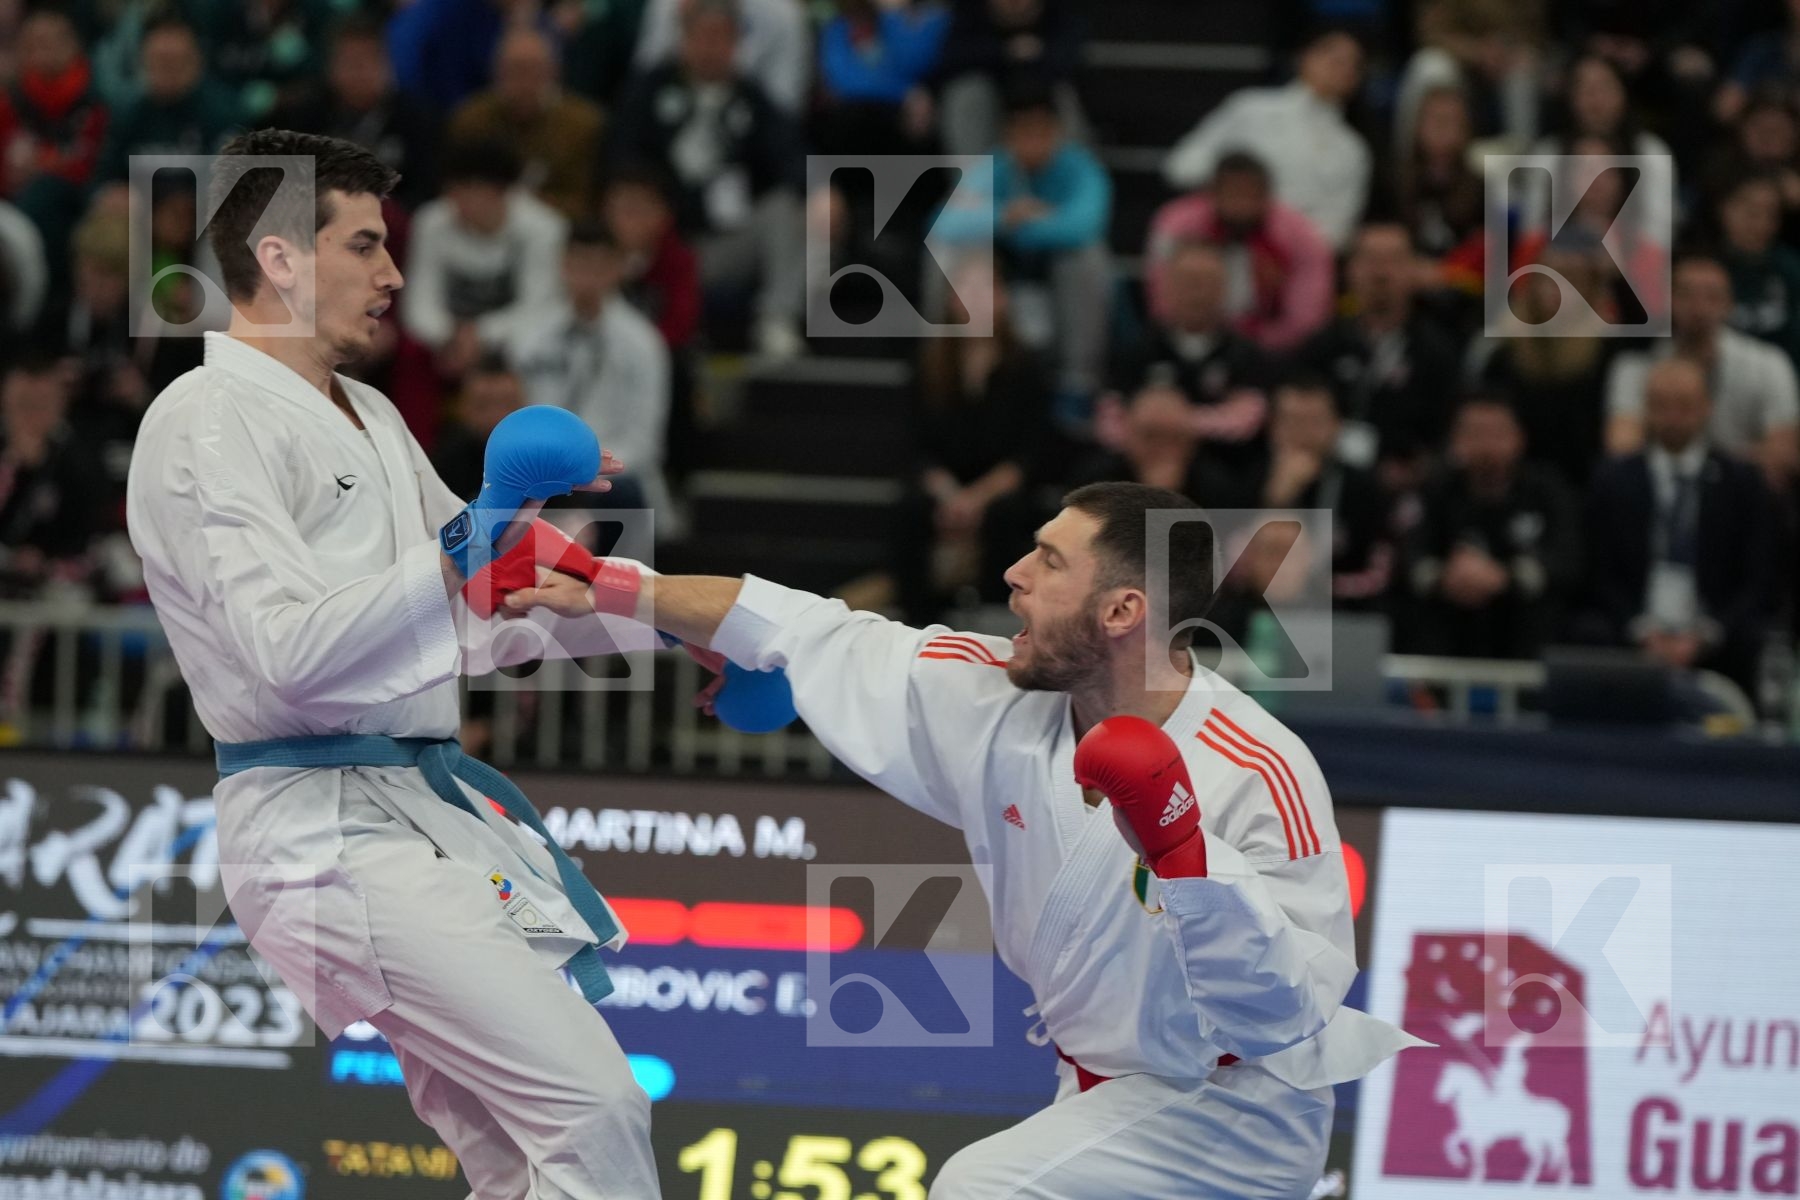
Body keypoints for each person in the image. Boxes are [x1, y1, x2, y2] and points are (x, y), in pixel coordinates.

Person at [507, 480, 1425, 1200]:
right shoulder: (994, 697)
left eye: (1049, 561)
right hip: (1097, 1092)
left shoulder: (1257, 768)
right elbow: (808, 628)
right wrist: (621, 588)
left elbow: (1293, 1010)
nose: (1014, 575)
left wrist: (1188, 858)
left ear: (1121, 612)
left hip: (1232, 1113)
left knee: (978, 1187)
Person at [125, 129, 663, 1198]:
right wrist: (476, 539)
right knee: (594, 1107)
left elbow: (485, 609)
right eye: (365, 244)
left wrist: (674, 625)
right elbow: (286, 656)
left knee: (519, 1160)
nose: (394, 276)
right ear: (280, 258)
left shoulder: (368, 413)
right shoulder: (203, 421)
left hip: (409, 814)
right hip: (315, 830)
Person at [1583, 358, 1776, 698]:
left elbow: (1758, 576)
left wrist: (1706, 634)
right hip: (1635, 624)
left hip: (1714, 629)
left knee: (1752, 637)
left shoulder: (1741, 483)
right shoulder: (1614, 480)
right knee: (1587, 631)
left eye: (1685, 405)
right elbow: (1600, 571)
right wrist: (1640, 630)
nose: (1673, 417)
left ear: (1706, 407)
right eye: (1661, 405)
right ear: (1645, 409)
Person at [1397, 394, 1581, 659]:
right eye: (1474, 433)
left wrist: (1505, 576)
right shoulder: (1434, 489)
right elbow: (1409, 554)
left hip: (1524, 629)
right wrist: (1444, 576)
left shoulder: (1548, 490)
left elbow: (1568, 558)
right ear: (1454, 439)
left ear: (1519, 437)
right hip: (1448, 627)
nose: (1485, 446)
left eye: (1496, 433)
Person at [1164, 28, 1372, 251]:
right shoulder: (1250, 107)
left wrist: (1280, 245)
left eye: (1353, 64)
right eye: (1333, 57)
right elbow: (1182, 166)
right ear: (1304, 57)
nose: (1342, 68)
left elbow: (1336, 232)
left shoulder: (1352, 150)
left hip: (1289, 261)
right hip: (1218, 244)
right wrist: (1234, 192)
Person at [1145, 152, 1335, 355]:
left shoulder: (1301, 234)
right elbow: (1162, 296)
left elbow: (1307, 314)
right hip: (1191, 340)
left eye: (1250, 195)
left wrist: (1258, 346)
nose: (1241, 206)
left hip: (1273, 348)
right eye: (1233, 194)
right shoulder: (1175, 225)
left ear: (1268, 196)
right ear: (1212, 193)